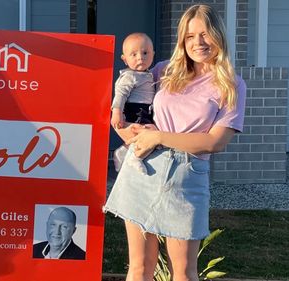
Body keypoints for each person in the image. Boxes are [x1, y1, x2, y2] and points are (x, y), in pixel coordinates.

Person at [103, 4, 246, 281]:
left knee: (183, 273)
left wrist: (158, 136)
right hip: (143, 168)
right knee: (139, 268)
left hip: (186, 177)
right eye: (190, 36)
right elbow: (121, 113)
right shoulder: (163, 70)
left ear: (218, 35)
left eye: (204, 34)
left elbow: (215, 142)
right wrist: (129, 136)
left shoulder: (231, 84)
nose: (198, 43)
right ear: (182, 40)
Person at [111, 32, 156, 174]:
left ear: (153, 55)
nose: (140, 58)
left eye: (145, 53)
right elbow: (120, 94)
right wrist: (116, 112)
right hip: (135, 109)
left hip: (145, 109)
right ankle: (134, 157)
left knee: (145, 135)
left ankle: (124, 151)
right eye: (134, 54)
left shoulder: (148, 74)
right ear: (124, 59)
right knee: (146, 135)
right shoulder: (130, 76)